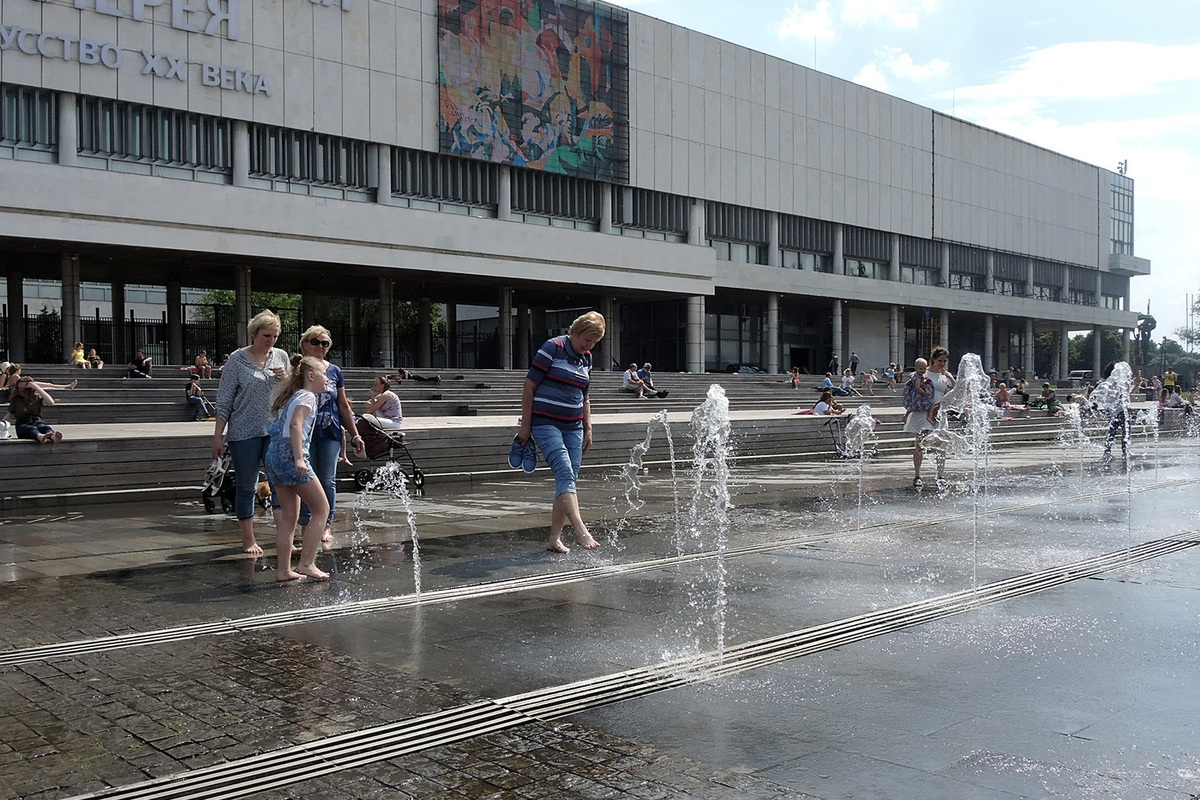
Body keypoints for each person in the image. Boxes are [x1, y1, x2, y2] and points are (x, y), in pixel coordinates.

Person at [517, 311, 605, 554]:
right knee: (565, 472)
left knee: (568, 481)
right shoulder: (552, 348)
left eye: (594, 342)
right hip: (546, 423)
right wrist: (526, 425)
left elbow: (585, 397)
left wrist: (588, 427)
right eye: (587, 339)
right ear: (575, 332)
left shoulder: (586, 358)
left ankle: (554, 539)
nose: (589, 346)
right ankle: (580, 529)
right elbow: (529, 385)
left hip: (574, 426)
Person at [212, 310, 291, 556]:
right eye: (267, 335)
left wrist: (286, 379)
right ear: (254, 333)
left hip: (274, 430)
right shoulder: (237, 360)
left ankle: (284, 540)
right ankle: (248, 538)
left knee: (280, 484)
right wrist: (217, 436)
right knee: (247, 486)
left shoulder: (281, 356)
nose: (271, 341)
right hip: (244, 432)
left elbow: (291, 394)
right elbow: (224, 400)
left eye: (275, 336)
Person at [294, 326, 365, 543]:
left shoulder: (334, 371)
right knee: (305, 479)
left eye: (325, 343)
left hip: (329, 430)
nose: (321, 347)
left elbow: (343, 405)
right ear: (304, 344)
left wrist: (355, 435)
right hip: (305, 432)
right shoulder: (297, 369)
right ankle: (307, 523)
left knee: (327, 479)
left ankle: (325, 524)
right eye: (316, 342)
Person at [264, 354, 332, 581]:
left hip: (273, 454)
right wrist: (300, 458)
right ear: (311, 376)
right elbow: (296, 425)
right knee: (322, 509)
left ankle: (283, 570)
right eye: (324, 374)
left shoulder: (293, 395)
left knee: (289, 516)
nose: (328, 379)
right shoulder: (308, 396)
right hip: (290, 455)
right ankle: (306, 563)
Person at [905, 346, 956, 488]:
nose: (942, 363)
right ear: (933, 360)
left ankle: (940, 475)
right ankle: (917, 475)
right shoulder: (924, 373)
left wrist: (950, 376)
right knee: (920, 443)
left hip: (939, 412)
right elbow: (913, 386)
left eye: (945, 361)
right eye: (940, 360)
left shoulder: (944, 376)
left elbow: (955, 390)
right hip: (923, 411)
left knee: (941, 445)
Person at [8, 376, 63, 444]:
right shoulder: (16, 399)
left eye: (23, 388)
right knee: (31, 429)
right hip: (22, 424)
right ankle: (40, 437)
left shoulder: (37, 398)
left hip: (36, 421)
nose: (20, 390)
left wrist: (37, 388)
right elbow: (9, 415)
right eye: (19, 388)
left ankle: (53, 437)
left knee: (45, 427)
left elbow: (51, 402)